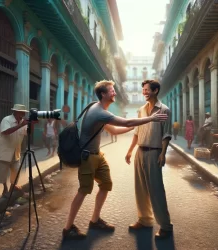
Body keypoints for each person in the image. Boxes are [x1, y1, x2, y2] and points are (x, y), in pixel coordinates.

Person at [62, 80, 168, 240]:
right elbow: (127, 121)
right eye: (112, 91)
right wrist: (149, 119)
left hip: (97, 155)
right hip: (87, 157)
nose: (115, 93)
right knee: (83, 191)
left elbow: (113, 130)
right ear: (103, 94)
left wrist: (135, 127)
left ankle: (95, 220)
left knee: (105, 184)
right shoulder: (99, 112)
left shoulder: (99, 109)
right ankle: (68, 227)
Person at [125, 79, 173, 240]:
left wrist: (163, 153)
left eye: (147, 90)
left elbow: (166, 134)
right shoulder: (141, 110)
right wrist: (130, 151)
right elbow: (137, 132)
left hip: (154, 152)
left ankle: (165, 226)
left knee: (156, 189)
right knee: (140, 188)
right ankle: (144, 220)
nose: (144, 92)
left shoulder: (164, 110)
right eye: (143, 90)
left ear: (156, 90)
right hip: (140, 151)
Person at [0, 104, 30, 197]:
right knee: (3, 172)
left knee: (16, 171)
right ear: (15, 112)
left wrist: (32, 124)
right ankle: (5, 189)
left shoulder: (23, 122)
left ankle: (12, 187)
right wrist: (21, 125)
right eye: (21, 112)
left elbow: (28, 133)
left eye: (23, 113)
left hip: (16, 151)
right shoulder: (6, 120)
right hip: (5, 151)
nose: (22, 114)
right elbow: (5, 132)